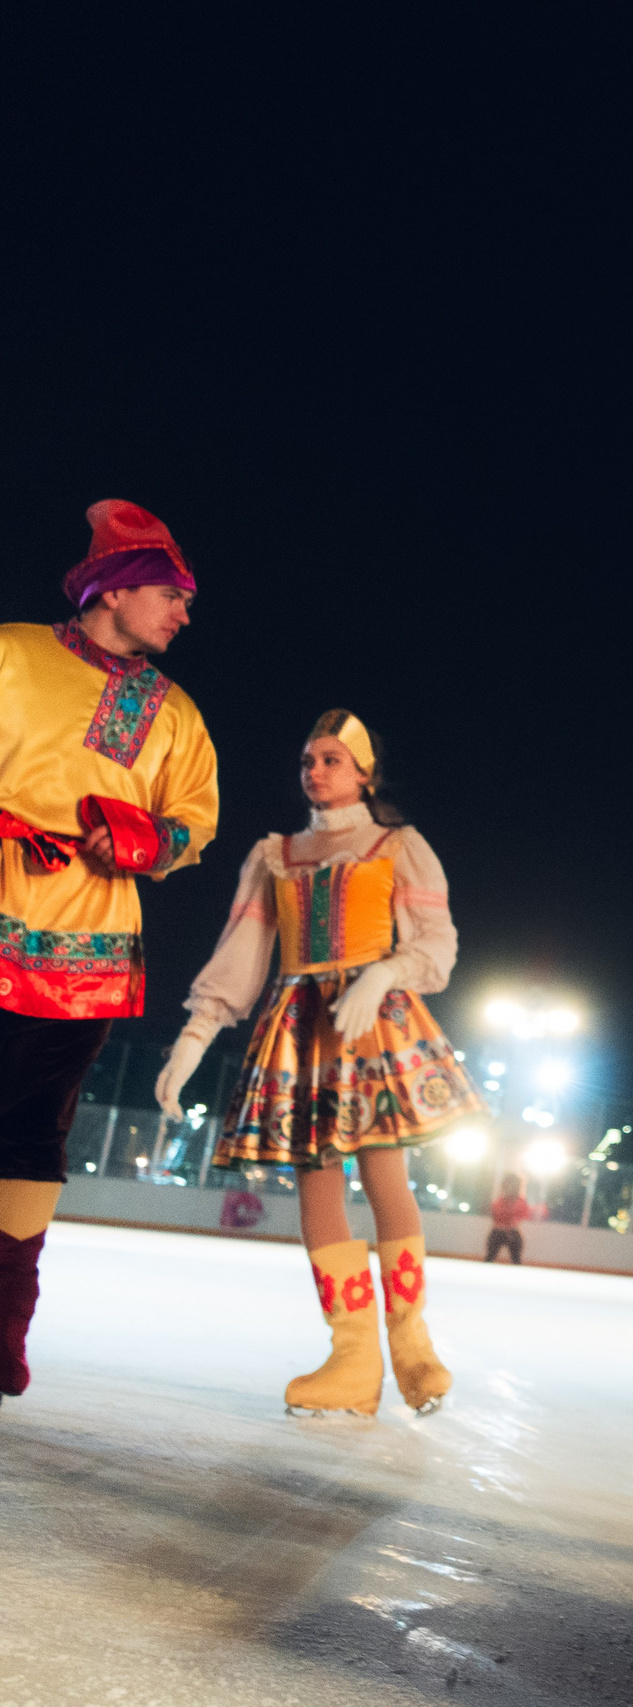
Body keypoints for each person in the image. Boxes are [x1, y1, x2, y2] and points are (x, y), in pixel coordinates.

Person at [157, 710, 484, 1418]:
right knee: (316, 1180)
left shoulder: (399, 845)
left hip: (373, 1022)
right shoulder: (274, 853)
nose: (316, 770)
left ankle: (413, 1345)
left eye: (333, 758)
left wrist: (384, 972)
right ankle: (352, 1357)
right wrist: (194, 1036)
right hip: (301, 1027)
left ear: (365, 771)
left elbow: (438, 945)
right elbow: (241, 955)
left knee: (385, 1171)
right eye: (309, 759)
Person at [0, 501, 219, 1407]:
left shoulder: (171, 712)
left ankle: (5, 1316)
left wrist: (151, 841)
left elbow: (196, 822)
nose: (184, 613)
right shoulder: (11, 652)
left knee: (34, 1130)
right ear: (118, 589)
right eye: (172, 594)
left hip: (89, 949)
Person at [487, 1174, 533, 1263]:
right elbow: (496, 1216)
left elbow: (521, 1217)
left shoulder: (521, 1203)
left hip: (512, 1231)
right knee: (490, 1257)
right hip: (498, 1231)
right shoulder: (498, 1202)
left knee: (516, 1259)